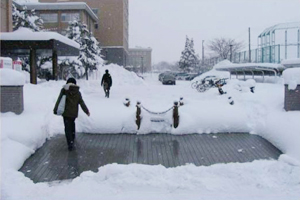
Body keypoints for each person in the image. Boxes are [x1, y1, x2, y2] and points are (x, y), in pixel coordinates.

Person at [53, 78, 90, 151]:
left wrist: (55, 110)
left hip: (66, 113)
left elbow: (59, 100)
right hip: (74, 113)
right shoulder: (77, 92)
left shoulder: (64, 90)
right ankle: (72, 138)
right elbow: (81, 103)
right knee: (72, 124)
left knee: (67, 128)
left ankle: (70, 143)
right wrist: (87, 111)